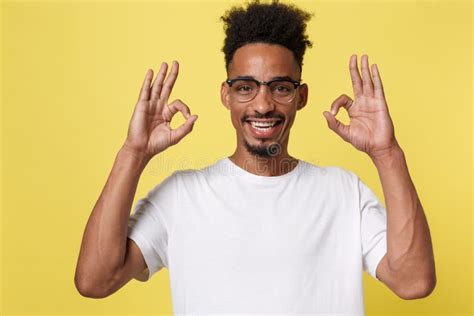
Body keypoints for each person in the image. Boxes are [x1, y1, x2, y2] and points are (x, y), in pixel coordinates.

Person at [74, 0, 436, 314]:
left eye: (280, 87)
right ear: (225, 96)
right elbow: (95, 280)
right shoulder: (181, 196)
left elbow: (413, 281)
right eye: (245, 87)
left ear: (301, 96)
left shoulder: (343, 192)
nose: (263, 105)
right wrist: (133, 153)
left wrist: (388, 154)